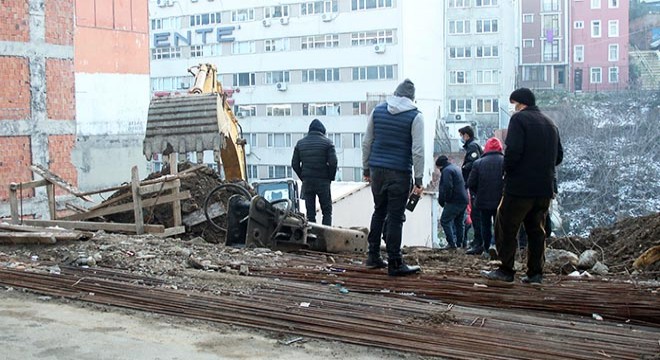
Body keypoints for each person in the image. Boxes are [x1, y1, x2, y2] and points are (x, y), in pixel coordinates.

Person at [481, 88, 563, 285]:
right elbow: (558, 156)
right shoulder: (550, 123)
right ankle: (535, 273)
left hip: (520, 187)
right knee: (537, 230)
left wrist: (507, 172)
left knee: (506, 225)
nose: (513, 108)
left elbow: (513, 152)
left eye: (514, 104)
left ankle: (506, 269)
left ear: (520, 103)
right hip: (544, 188)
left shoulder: (519, 120)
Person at [362, 79, 424, 276]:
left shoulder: (378, 111)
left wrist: (366, 168)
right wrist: (419, 179)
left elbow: (366, 142)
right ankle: (395, 263)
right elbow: (418, 151)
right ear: (412, 98)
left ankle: (372, 256)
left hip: (377, 169)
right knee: (396, 217)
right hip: (399, 172)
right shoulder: (415, 116)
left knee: (378, 211)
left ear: (395, 94)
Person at [291, 119, 338, 226]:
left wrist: (303, 177)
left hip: (308, 182)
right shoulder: (328, 143)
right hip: (323, 182)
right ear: (322, 131)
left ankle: (312, 237)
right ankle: (326, 236)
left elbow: (294, 164)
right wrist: (330, 177)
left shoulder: (300, 144)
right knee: (326, 212)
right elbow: (333, 162)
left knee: (310, 214)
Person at [467, 137, 504, 258]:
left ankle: (487, 249)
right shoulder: (505, 161)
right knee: (499, 225)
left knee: (485, 225)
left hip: (483, 201)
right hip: (501, 201)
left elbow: (471, 183)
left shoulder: (478, 163)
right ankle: (497, 246)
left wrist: (477, 194)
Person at [459, 126, 483, 253]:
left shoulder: (473, 146)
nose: (461, 139)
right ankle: (477, 240)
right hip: (475, 185)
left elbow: (475, 162)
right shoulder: (473, 146)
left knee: (476, 214)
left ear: (466, 135)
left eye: (462, 136)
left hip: (476, 186)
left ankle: (479, 242)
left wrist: (464, 168)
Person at [436, 155, 469, 250]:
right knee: (459, 222)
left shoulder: (446, 171)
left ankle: (451, 244)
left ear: (440, 166)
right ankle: (460, 244)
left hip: (454, 200)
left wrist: (446, 200)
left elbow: (447, 187)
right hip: (463, 200)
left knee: (445, 220)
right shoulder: (455, 168)